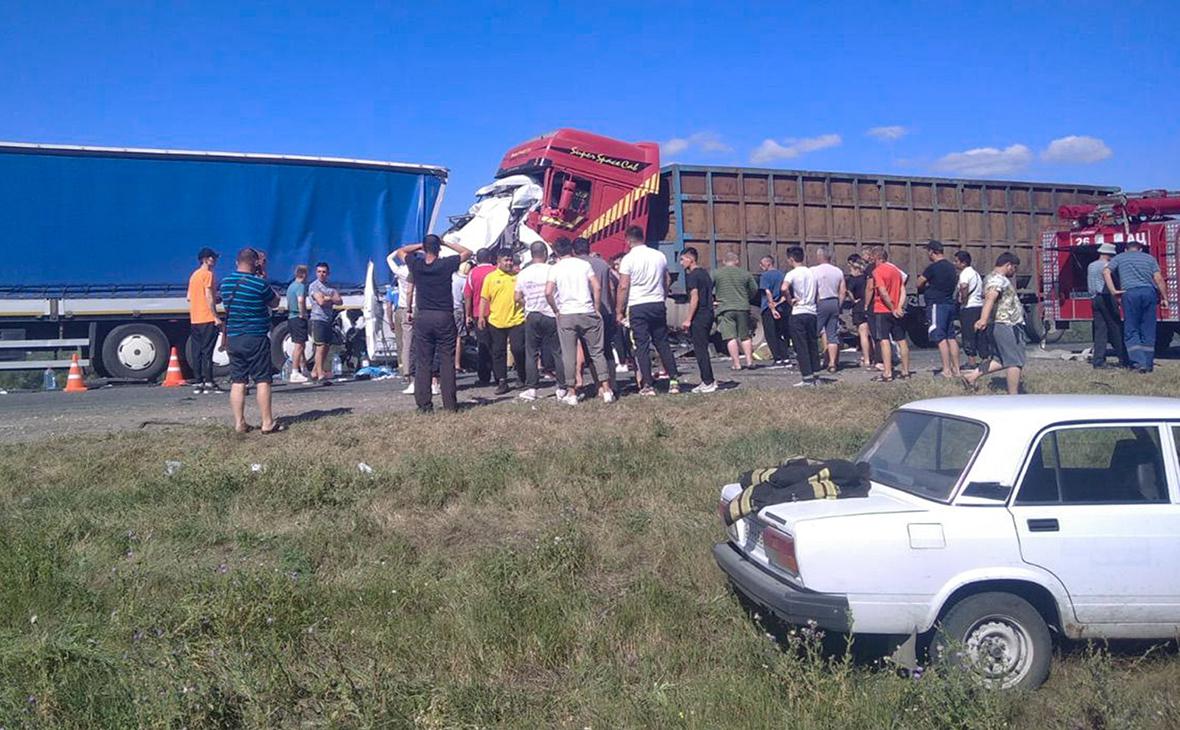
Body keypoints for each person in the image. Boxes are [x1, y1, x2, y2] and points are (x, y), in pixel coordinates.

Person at [393, 235, 471, 412]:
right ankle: (450, 404)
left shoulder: (417, 265)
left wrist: (421, 245)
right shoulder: (445, 264)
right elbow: (467, 253)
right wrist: (444, 242)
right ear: (439, 249)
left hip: (424, 316)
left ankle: (424, 404)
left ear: (425, 249)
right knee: (446, 361)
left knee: (423, 361)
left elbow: (401, 251)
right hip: (444, 315)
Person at [545, 237, 616, 404]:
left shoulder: (555, 268)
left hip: (567, 314)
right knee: (597, 352)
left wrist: (556, 310)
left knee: (569, 355)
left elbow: (548, 292)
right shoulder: (584, 265)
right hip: (587, 310)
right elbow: (597, 286)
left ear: (556, 251)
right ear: (571, 249)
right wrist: (597, 308)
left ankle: (572, 393)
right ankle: (606, 389)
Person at [221, 247, 281, 433]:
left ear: (237, 262)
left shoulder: (225, 283)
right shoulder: (258, 284)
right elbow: (275, 302)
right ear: (255, 264)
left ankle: (239, 423)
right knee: (263, 380)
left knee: (238, 381)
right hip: (255, 337)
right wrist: (262, 278)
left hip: (233, 337)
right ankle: (267, 422)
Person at [616, 225, 680, 395]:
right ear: (642, 237)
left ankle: (648, 385)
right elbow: (666, 279)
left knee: (642, 345)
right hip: (657, 302)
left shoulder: (628, 259)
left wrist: (619, 310)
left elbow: (623, 286)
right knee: (662, 342)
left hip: (638, 305)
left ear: (628, 240)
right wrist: (663, 295)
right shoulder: (658, 255)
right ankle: (674, 380)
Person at [1104, 238, 1169, 373]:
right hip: (1149, 293)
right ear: (1140, 249)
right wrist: (1164, 297)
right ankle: (1148, 363)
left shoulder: (1120, 257)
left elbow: (1106, 272)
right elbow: (1158, 279)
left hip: (1130, 293)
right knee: (1148, 329)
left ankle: (1139, 362)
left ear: (1126, 249)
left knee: (1131, 329)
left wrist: (1113, 291)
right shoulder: (1149, 258)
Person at [964, 253, 1025, 395]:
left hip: (1001, 323)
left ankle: (971, 377)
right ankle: (1013, 395)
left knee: (1000, 359)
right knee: (1014, 362)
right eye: (1014, 268)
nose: (1014, 271)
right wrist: (983, 319)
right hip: (1005, 323)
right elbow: (991, 297)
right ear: (1008, 265)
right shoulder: (998, 279)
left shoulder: (990, 278)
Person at [516, 241, 562, 401]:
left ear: (531, 254)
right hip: (550, 313)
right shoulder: (552, 270)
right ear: (545, 254)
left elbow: (517, 297)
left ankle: (532, 388)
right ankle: (561, 387)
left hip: (532, 314)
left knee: (531, 353)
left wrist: (527, 304)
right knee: (557, 351)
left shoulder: (523, 273)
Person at [480, 249, 527, 394]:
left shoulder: (518, 277)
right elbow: (484, 298)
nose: (508, 263)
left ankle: (522, 376)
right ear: (498, 261)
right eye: (506, 260)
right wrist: (481, 316)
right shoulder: (491, 277)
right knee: (498, 352)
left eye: (510, 260)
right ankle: (502, 381)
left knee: (518, 349)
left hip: (517, 319)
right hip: (496, 320)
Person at [575, 237, 618, 390]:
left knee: (590, 352)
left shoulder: (576, 266)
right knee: (606, 349)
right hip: (605, 310)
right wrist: (613, 309)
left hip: (585, 311)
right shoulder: (603, 264)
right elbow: (611, 288)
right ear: (589, 247)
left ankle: (599, 385)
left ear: (574, 251)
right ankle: (612, 383)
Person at [916, 241, 961, 378]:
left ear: (932, 252)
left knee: (940, 337)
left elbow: (919, 283)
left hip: (936, 304)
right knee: (951, 337)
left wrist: (926, 286)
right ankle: (957, 369)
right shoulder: (951, 267)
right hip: (948, 303)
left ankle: (946, 370)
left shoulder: (933, 268)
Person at [867, 246, 910, 382]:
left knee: (884, 340)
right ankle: (905, 371)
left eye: (873, 258)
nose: (873, 261)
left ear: (878, 258)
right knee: (901, 340)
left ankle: (887, 372)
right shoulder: (896, 271)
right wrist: (898, 306)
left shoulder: (877, 271)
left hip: (882, 309)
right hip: (896, 310)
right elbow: (903, 289)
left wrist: (891, 307)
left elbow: (883, 291)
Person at [712, 251, 759, 371]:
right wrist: (746, 298)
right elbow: (754, 289)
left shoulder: (717, 273)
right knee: (745, 336)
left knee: (730, 336)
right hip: (743, 307)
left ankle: (737, 364)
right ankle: (749, 361)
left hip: (725, 308)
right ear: (737, 261)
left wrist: (713, 301)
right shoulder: (745, 273)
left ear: (724, 261)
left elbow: (708, 288)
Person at [679, 247, 717, 393]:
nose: (681, 263)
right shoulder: (705, 273)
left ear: (691, 259)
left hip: (699, 315)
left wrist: (688, 319)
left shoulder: (693, 276)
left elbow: (695, 297)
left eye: (683, 259)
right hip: (708, 313)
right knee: (702, 348)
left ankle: (708, 381)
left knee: (700, 350)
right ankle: (707, 380)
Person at [782, 246, 820, 386]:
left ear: (791, 259)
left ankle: (807, 377)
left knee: (801, 345)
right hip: (812, 311)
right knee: (812, 344)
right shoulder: (811, 273)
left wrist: (789, 299)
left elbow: (784, 288)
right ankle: (816, 374)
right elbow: (818, 294)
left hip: (798, 311)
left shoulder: (792, 273)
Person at [1088, 243, 1130, 369]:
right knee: (1115, 327)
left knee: (1100, 330)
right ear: (1109, 254)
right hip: (1106, 297)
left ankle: (1098, 360)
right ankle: (1124, 359)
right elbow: (1114, 281)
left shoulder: (1091, 265)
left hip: (1094, 298)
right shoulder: (1107, 266)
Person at [186, 247, 221, 394]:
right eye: (213, 258)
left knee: (197, 351)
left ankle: (198, 381)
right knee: (208, 351)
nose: (215, 260)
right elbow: (208, 296)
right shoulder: (208, 275)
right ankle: (209, 381)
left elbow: (189, 297)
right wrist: (215, 316)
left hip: (195, 318)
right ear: (207, 259)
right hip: (207, 317)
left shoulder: (194, 275)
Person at [810, 247, 847, 373]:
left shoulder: (813, 271)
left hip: (821, 302)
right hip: (834, 301)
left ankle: (813, 361)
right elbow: (843, 291)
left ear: (820, 256)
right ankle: (832, 363)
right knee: (832, 334)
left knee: (813, 333)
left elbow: (812, 289)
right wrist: (839, 304)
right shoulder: (838, 271)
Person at [464, 248, 497, 385]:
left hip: (479, 312)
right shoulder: (496, 271)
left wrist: (468, 314)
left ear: (477, 259)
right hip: (496, 312)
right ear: (490, 258)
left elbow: (467, 295)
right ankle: (499, 375)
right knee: (497, 345)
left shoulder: (472, 273)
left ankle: (484, 376)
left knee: (483, 345)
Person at [307, 262, 342, 382]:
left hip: (328, 319)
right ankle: (321, 373)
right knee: (320, 346)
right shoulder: (314, 286)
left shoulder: (329, 286)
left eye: (324, 272)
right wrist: (329, 298)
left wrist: (328, 298)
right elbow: (320, 301)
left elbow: (339, 301)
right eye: (319, 272)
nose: (321, 274)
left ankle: (315, 371)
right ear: (316, 273)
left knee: (326, 347)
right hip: (318, 319)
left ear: (328, 273)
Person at [386, 248, 415, 384]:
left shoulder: (401, 271)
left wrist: (400, 250)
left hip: (404, 307)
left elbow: (389, 258)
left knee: (406, 343)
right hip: (420, 306)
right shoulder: (420, 268)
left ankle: (407, 373)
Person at [954, 251, 985, 370]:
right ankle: (984, 358)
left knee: (968, 334)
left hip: (969, 308)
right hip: (978, 306)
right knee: (980, 334)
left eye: (957, 261)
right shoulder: (975, 274)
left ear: (963, 263)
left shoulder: (964, 273)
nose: (955, 263)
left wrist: (963, 299)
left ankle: (971, 361)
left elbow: (964, 286)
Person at [757, 256, 791, 365]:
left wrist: (772, 306)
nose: (760, 267)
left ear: (768, 264)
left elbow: (767, 292)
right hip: (781, 307)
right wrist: (779, 303)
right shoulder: (782, 275)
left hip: (768, 308)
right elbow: (785, 293)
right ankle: (785, 356)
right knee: (781, 332)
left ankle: (777, 358)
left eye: (762, 264)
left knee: (771, 334)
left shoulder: (765, 276)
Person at [845, 254, 873, 368]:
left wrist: (853, 300)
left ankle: (866, 359)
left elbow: (849, 292)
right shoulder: (866, 277)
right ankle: (874, 357)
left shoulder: (852, 279)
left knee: (863, 335)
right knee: (871, 334)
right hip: (868, 304)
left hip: (858, 306)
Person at [285, 264, 310, 383]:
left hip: (291, 317)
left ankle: (303, 369)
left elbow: (289, 302)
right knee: (299, 346)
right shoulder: (300, 286)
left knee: (301, 345)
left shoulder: (291, 286)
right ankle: (294, 372)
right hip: (298, 317)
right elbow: (300, 300)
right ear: (304, 274)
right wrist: (302, 313)